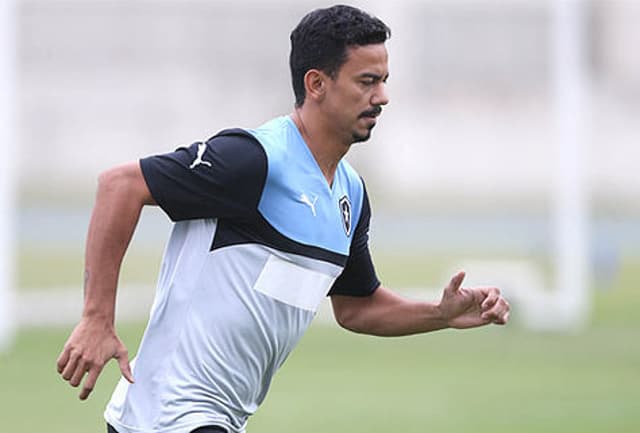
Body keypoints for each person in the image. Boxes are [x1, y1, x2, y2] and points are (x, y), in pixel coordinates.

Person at [56, 5, 510, 433]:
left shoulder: (349, 193)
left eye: (385, 81)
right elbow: (119, 185)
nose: (383, 97)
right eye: (367, 81)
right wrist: (97, 317)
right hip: (172, 413)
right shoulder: (254, 159)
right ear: (317, 84)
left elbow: (356, 306)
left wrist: (440, 314)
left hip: (214, 418)